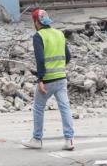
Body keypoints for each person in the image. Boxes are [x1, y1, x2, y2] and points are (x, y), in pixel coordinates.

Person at [22, 9, 75, 151]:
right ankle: (69, 140)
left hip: (47, 80)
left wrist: (40, 79)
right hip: (61, 78)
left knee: (39, 108)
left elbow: (40, 59)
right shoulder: (59, 34)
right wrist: (59, 67)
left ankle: (37, 139)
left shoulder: (38, 36)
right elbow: (68, 56)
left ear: (35, 22)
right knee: (65, 107)